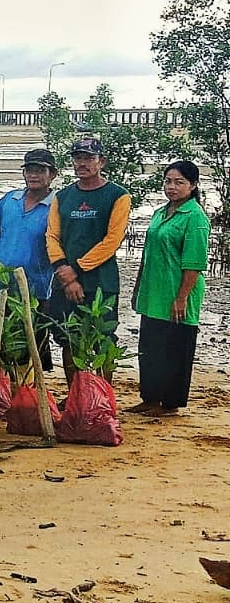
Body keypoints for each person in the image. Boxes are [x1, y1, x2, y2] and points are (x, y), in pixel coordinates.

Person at [46, 136, 130, 386]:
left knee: (103, 339)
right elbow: (52, 236)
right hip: (65, 281)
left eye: (88, 158)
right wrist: (64, 272)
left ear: (101, 161)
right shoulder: (63, 196)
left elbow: (112, 240)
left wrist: (77, 269)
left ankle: (103, 397)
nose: (82, 163)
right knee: (69, 337)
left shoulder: (118, 196)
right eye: (77, 158)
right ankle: (76, 395)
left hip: (101, 281)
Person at [130, 161, 210, 415]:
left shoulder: (195, 217)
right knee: (150, 348)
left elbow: (194, 263)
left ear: (193, 185)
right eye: (168, 181)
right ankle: (150, 398)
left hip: (178, 293)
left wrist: (182, 297)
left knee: (175, 349)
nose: (171, 187)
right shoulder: (159, 213)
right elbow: (148, 254)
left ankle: (170, 403)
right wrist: (139, 289)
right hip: (153, 293)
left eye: (179, 182)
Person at [0, 148, 58, 370]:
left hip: (37, 289)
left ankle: (29, 386)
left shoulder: (57, 205)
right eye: (29, 170)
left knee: (32, 347)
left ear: (53, 174)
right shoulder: (10, 199)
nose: (33, 175)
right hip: (2, 285)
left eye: (40, 170)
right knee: (3, 343)